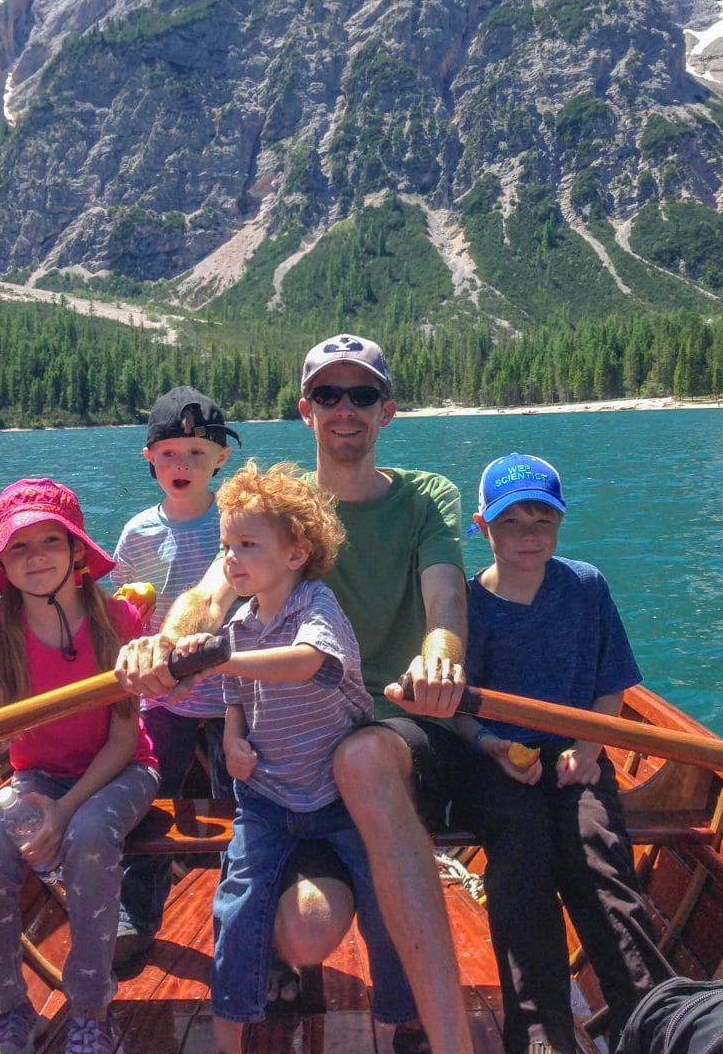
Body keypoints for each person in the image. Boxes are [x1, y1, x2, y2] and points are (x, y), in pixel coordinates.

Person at [116, 333, 475, 1054]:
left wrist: (441, 656)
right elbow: (211, 597)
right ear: (306, 410)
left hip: (397, 734)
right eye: (330, 396)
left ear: (388, 411)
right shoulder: (280, 512)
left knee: (365, 760)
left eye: (363, 395)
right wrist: (167, 642)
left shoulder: (427, 496)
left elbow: (446, 606)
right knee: (307, 932)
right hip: (295, 767)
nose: (347, 409)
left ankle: (441, 1036)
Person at [0, 478, 159, 1054]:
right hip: (37, 777)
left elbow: (124, 741)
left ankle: (91, 1009)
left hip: (122, 771)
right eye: (18, 546)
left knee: (90, 837)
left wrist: (64, 813)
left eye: (50, 540)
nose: (35, 556)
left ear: (76, 552)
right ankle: (6, 1011)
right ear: (2, 560)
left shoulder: (116, 620)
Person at [177, 458, 418, 1053]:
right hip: (266, 798)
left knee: (387, 900)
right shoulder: (240, 620)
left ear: (295, 553)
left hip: (340, 801)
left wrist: (215, 658)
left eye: (247, 544)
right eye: (226, 544)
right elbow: (235, 696)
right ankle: (230, 1035)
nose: (230, 557)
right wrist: (233, 737)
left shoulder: (315, 607)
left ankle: (397, 1021)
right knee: (237, 909)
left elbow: (307, 661)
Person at [458, 453, 673, 1054]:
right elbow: (456, 711)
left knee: (599, 855)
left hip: (581, 757)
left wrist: (591, 744)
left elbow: (611, 685)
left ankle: (656, 1016)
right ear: (483, 527)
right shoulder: (469, 607)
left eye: (542, 521)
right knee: (521, 857)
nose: (528, 535)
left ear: (559, 524)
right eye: (511, 523)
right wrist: (492, 746)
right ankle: (539, 1032)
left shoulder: (585, 586)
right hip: (502, 764)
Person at [111, 385, 240, 968]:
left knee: (245, 807)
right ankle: (136, 914)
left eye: (195, 453)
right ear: (148, 460)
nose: (181, 465)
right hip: (165, 698)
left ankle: (246, 918)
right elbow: (125, 614)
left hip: (239, 694)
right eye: (168, 454)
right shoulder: (138, 533)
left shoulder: (235, 522)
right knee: (150, 806)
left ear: (221, 460)